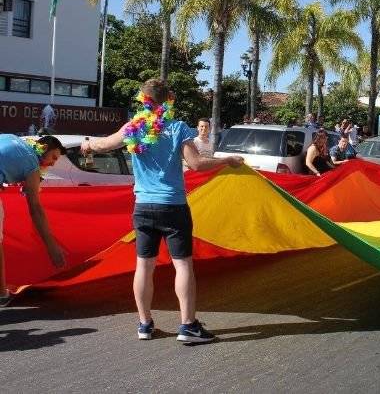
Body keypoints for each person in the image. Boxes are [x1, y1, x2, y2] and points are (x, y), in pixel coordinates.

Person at [81, 79, 244, 342]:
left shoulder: (133, 128)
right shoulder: (177, 127)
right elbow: (196, 164)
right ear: (168, 99)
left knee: (144, 266)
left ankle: (144, 325)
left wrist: (88, 145)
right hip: (173, 207)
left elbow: (103, 145)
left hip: (143, 207)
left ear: (143, 99)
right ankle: (188, 326)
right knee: (182, 265)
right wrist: (227, 160)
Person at [0, 134, 67, 306]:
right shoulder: (31, 164)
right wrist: (51, 246)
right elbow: (35, 208)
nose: (53, 163)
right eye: (53, 157)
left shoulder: (13, 138)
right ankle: (1, 294)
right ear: (43, 148)